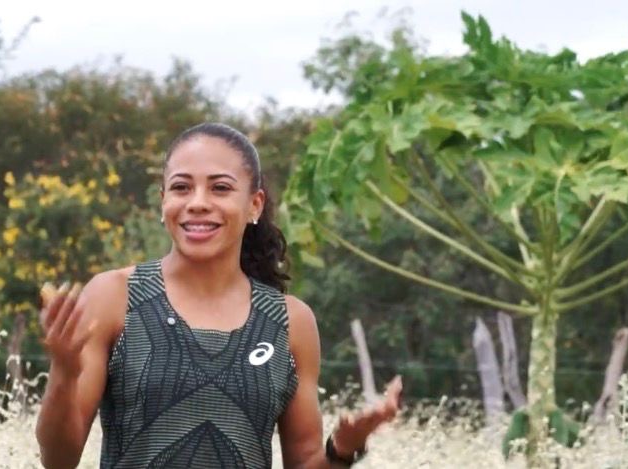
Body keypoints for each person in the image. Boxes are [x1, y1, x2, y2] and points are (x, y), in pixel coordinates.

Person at [35, 122, 402, 468]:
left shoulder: (290, 322)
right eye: (181, 187)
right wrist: (65, 372)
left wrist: (343, 449)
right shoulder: (116, 297)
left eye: (220, 188)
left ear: (254, 205)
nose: (197, 202)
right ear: (163, 202)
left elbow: (305, 461)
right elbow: (58, 460)